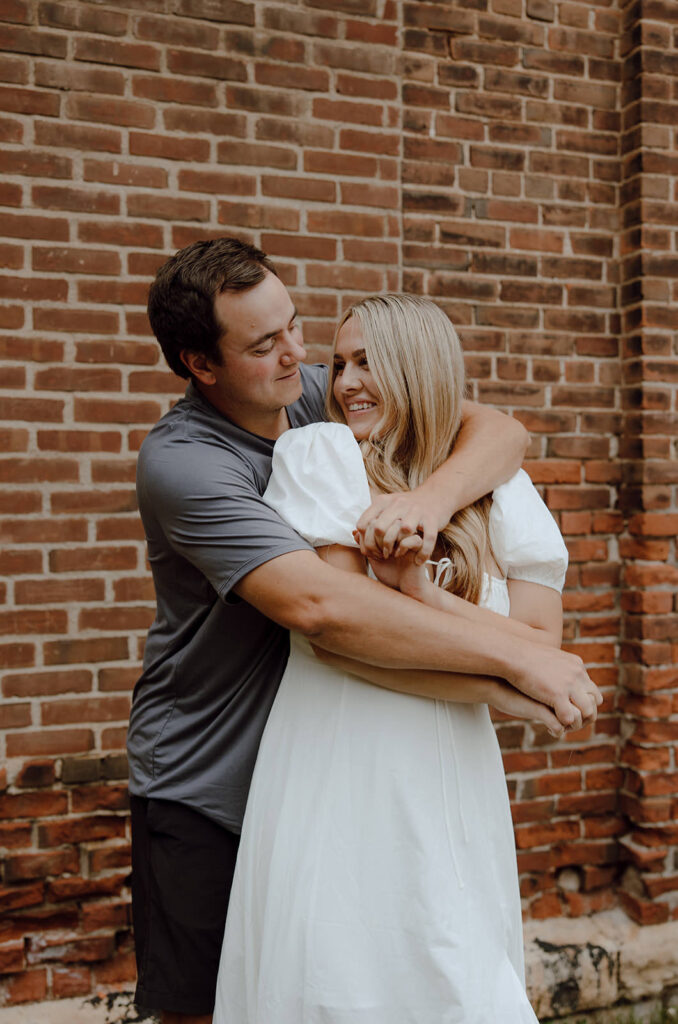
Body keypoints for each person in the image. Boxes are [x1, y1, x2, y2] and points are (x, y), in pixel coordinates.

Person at [129, 238, 600, 1024]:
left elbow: (497, 430)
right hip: (208, 777)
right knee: (218, 1005)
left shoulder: (312, 393)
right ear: (200, 364)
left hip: (339, 755)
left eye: (294, 327)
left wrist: (431, 500)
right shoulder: (185, 465)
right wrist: (525, 666)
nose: (301, 359)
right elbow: (329, 615)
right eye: (264, 344)